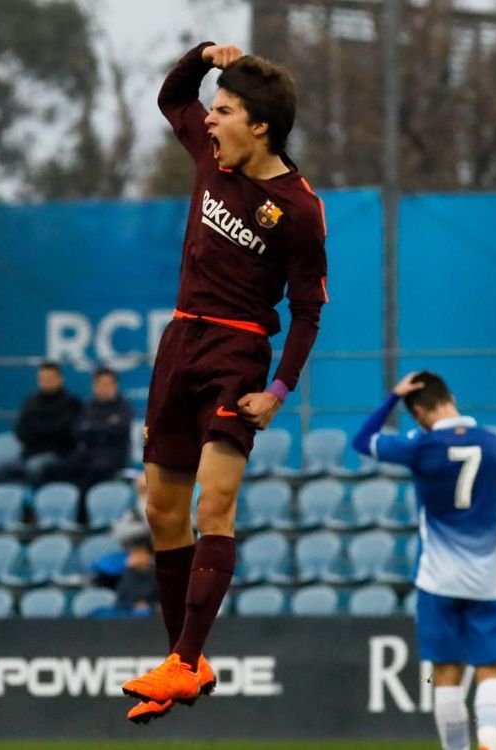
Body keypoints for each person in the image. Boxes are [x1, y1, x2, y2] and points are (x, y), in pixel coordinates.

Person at [122, 41, 328, 724]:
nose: (209, 119)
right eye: (213, 109)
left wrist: (279, 390)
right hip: (180, 342)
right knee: (161, 512)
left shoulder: (298, 208)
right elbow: (172, 98)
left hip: (237, 352)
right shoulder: (210, 156)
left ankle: (184, 662)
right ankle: (182, 662)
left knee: (214, 505)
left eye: (226, 110)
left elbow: (307, 310)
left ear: (260, 125)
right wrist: (204, 55)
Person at [352, 371, 496, 750]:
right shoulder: (495, 444)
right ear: (452, 399)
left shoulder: (421, 445)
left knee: (445, 674)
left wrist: (393, 396)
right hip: (486, 582)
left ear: (418, 412)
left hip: (437, 582)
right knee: (490, 669)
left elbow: (362, 441)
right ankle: (489, 743)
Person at [50, 366, 133, 491]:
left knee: (94, 470)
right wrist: (104, 426)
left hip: (113, 455)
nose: (104, 388)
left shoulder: (124, 407)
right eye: (100, 384)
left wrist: (92, 428)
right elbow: (77, 430)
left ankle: (83, 501)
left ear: (115, 385)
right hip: (88, 453)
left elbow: (118, 430)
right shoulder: (88, 405)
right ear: (94, 386)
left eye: (107, 384)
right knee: (60, 468)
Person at [6, 361, 81, 485]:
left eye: (50, 378)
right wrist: (46, 428)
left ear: (60, 379)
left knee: (35, 467)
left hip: (59, 456)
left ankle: (37, 496)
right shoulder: (30, 402)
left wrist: (38, 428)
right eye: (42, 379)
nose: (45, 382)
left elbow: (64, 434)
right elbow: (21, 430)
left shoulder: (71, 403)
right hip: (29, 454)